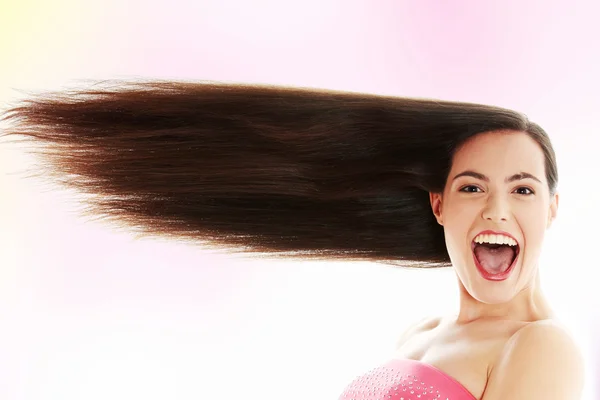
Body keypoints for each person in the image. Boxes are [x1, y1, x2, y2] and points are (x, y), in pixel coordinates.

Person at [0, 79, 584, 399]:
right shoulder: (421, 334)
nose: (498, 210)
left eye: (524, 190)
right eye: (472, 187)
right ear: (439, 205)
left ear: (553, 210)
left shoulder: (540, 348)